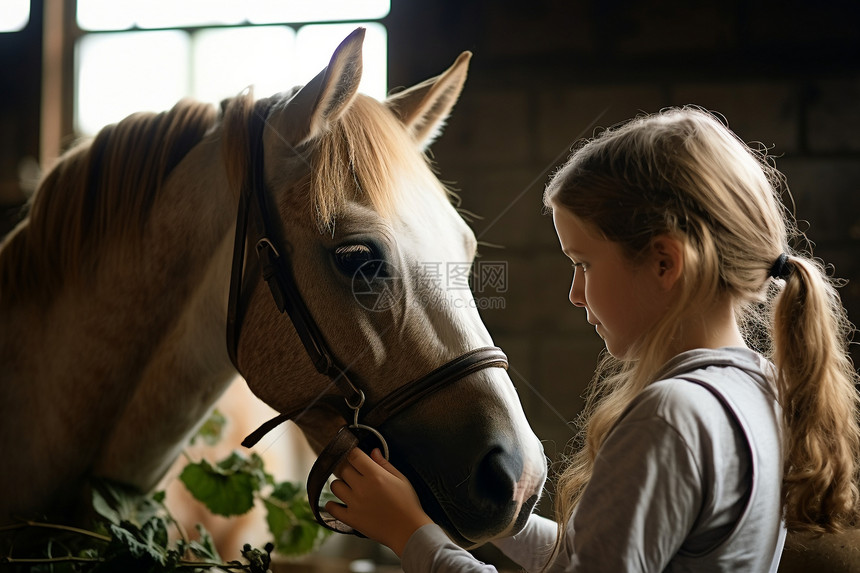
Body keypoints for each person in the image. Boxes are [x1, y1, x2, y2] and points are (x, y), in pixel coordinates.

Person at [325, 106, 860, 572]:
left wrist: (409, 534)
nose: (576, 294)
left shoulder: (673, 416)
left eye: (582, 264)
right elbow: (601, 555)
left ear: (664, 262)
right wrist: (495, 520)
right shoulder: (759, 389)